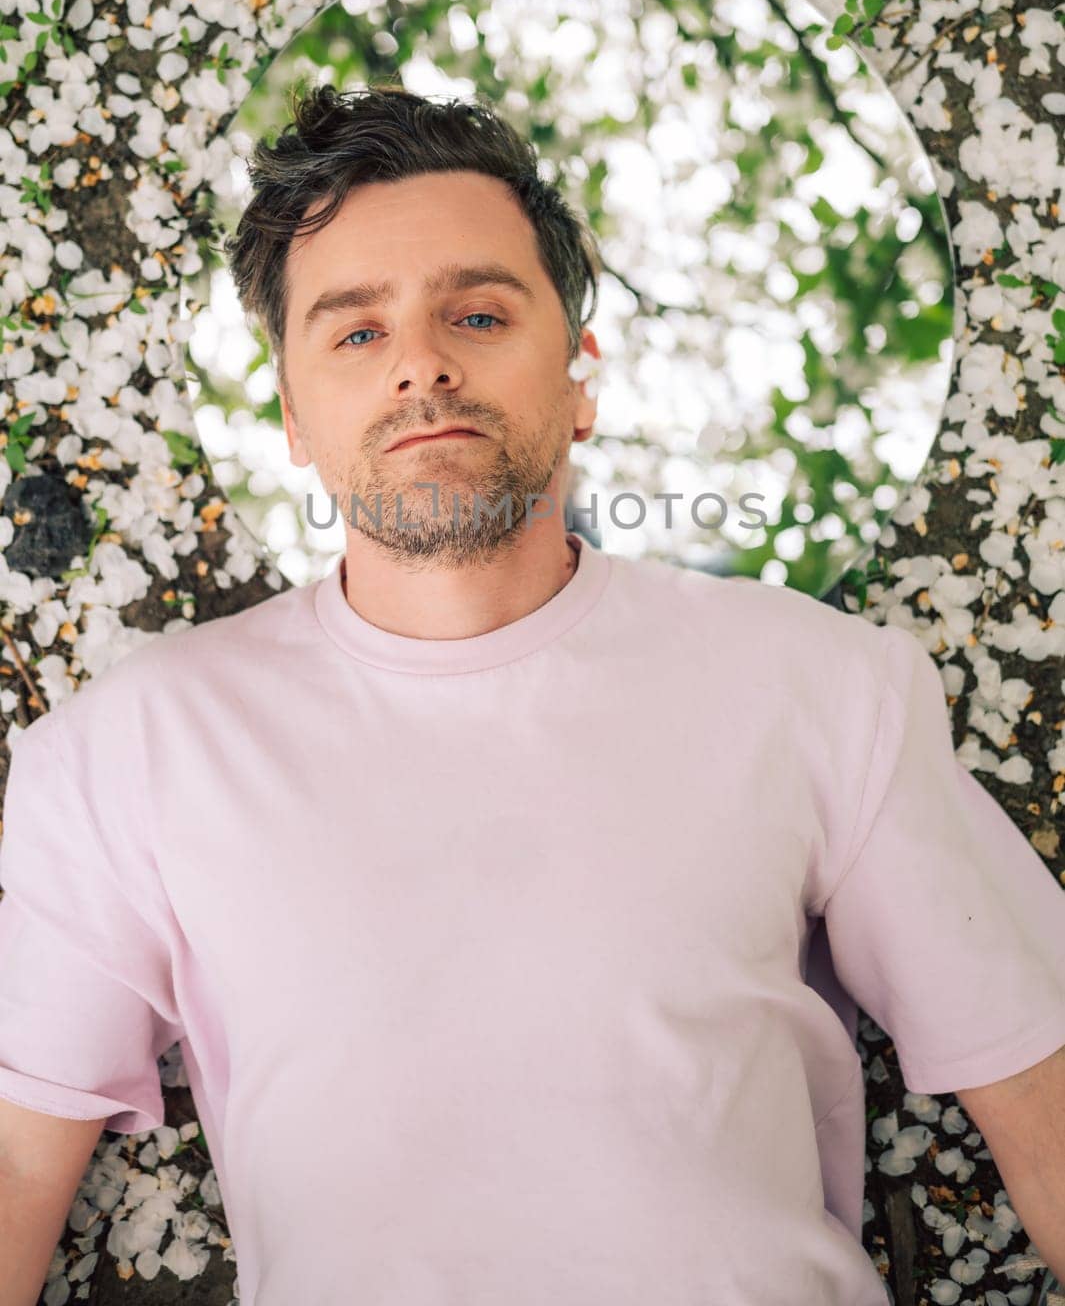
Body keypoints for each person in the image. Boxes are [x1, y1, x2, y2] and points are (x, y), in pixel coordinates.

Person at [2, 83, 1065, 1306]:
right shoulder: (127, 754)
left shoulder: (822, 685)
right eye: (356, 333)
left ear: (578, 375)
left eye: (478, 311)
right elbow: (17, 1163)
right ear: (294, 419)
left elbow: (1041, 1098)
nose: (422, 366)